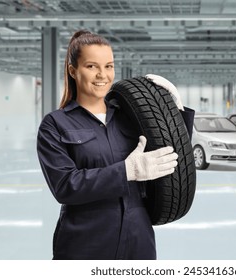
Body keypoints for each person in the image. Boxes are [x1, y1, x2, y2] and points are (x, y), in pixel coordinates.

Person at [36, 30, 194, 260]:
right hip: (85, 244)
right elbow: (65, 187)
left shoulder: (130, 117)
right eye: (92, 66)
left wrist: (174, 111)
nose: (102, 75)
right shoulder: (55, 124)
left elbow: (173, 159)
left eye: (109, 66)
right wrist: (126, 171)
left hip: (138, 240)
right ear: (73, 71)